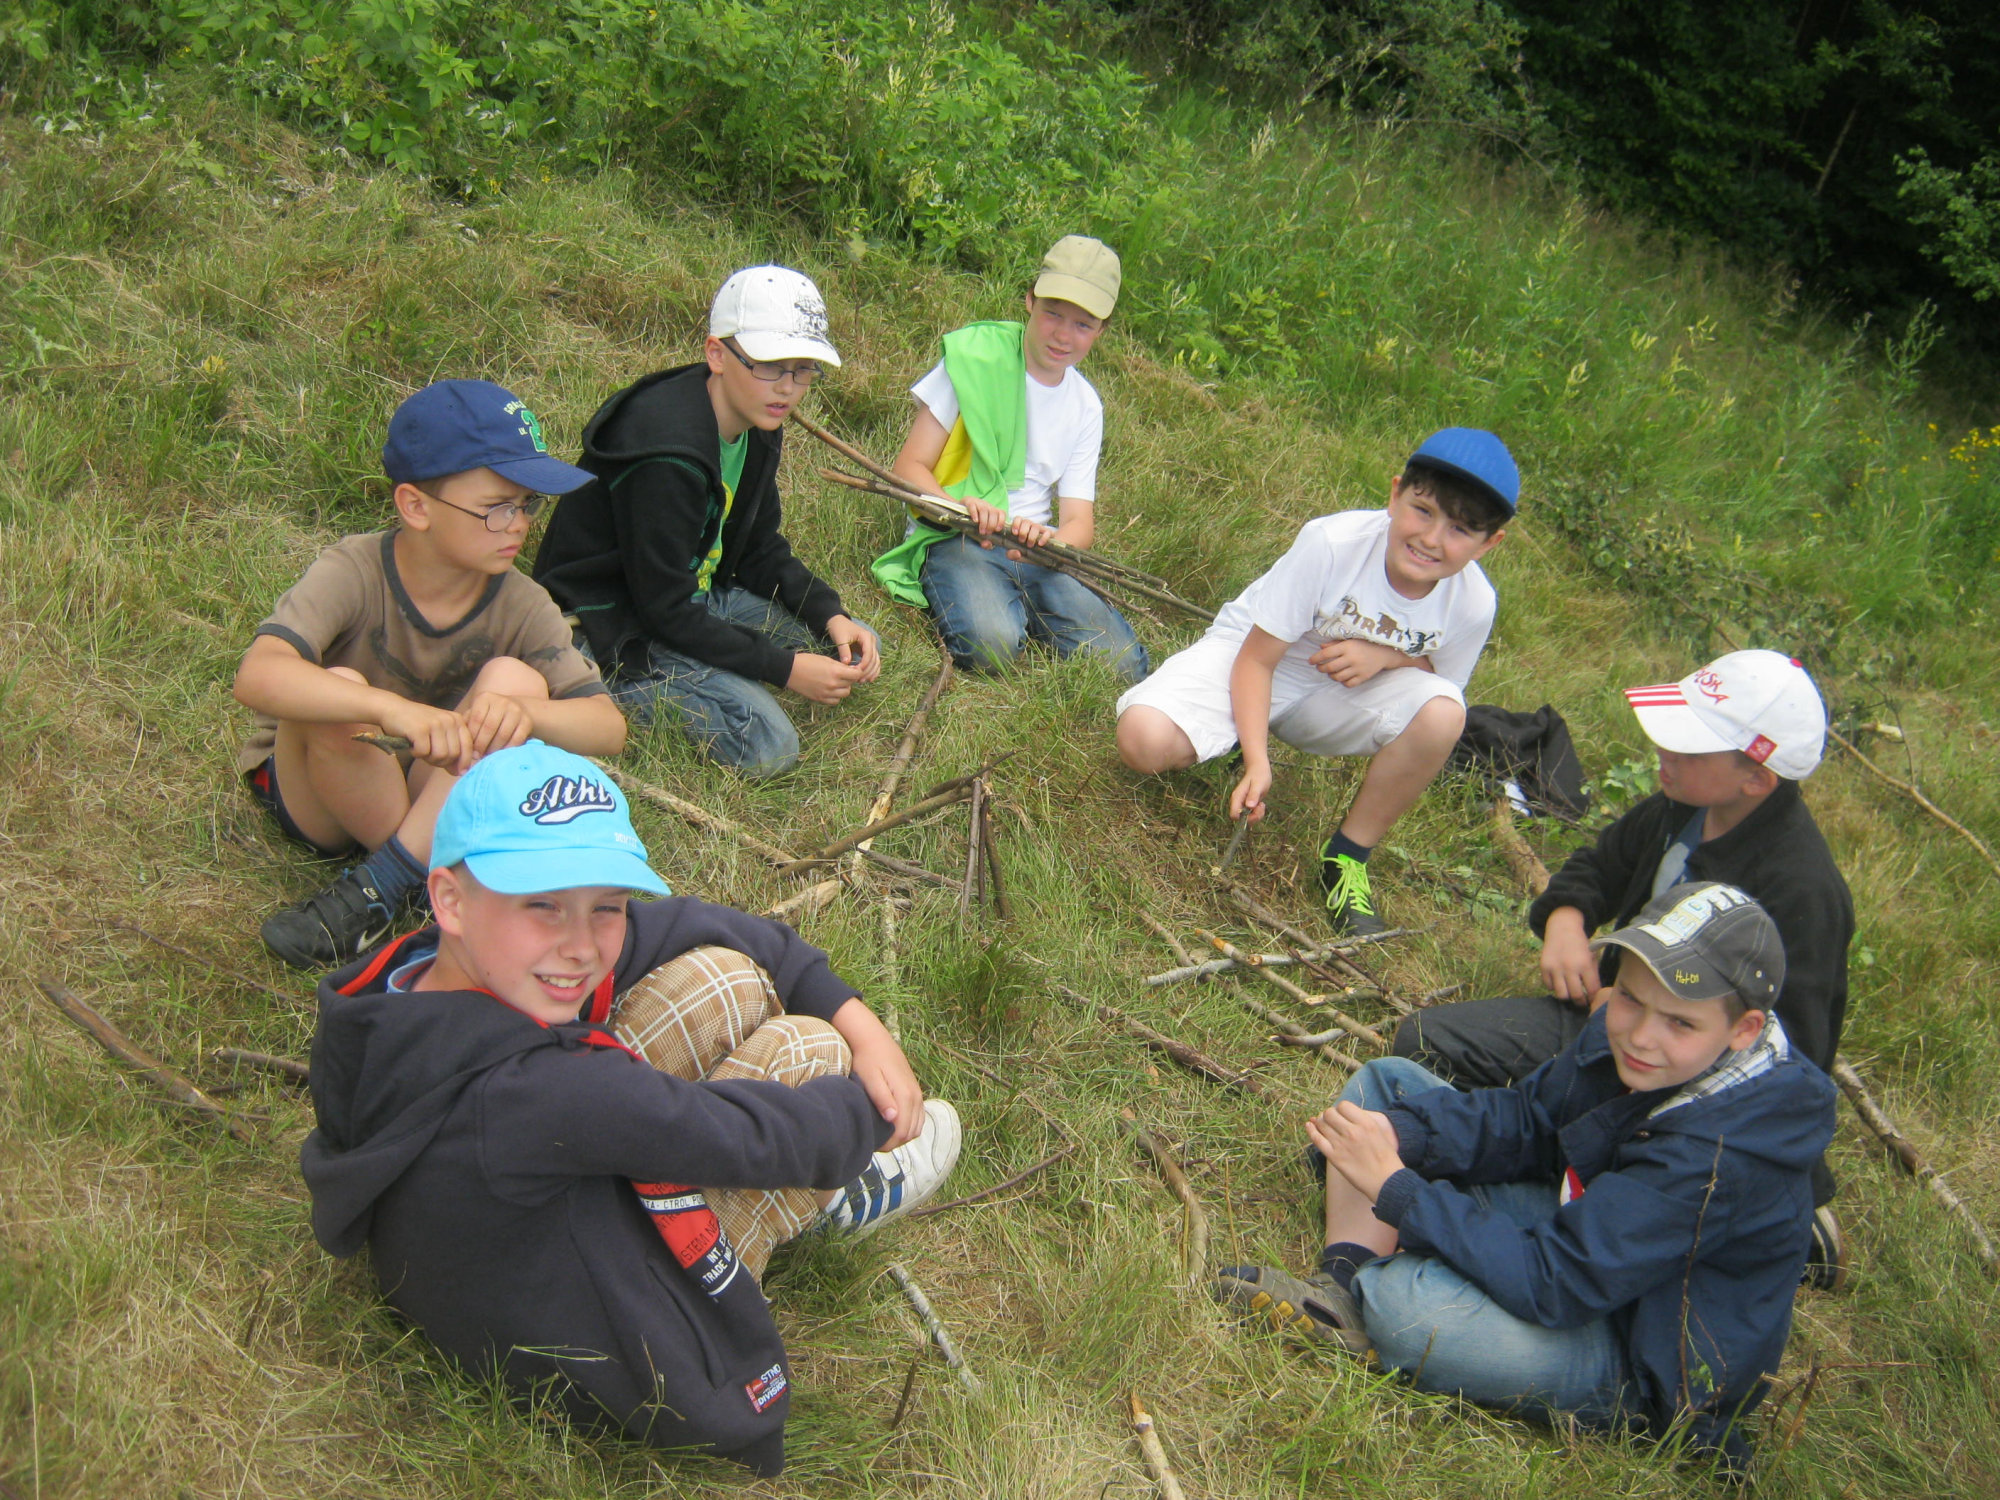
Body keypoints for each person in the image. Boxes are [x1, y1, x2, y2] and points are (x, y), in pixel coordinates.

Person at [300, 743, 961, 1477]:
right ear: (450, 898)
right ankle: (822, 1200)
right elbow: (746, 1137)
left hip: (491, 1245)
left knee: (724, 978)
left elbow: (689, 923)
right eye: (543, 905)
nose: (580, 946)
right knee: (808, 1051)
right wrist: (871, 1110)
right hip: (598, 1345)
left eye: (605, 907)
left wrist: (855, 1013)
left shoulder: (401, 985)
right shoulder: (543, 1093)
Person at [1216, 882, 1836, 1474]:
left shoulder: (1724, 1155)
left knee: (1408, 1308)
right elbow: (1529, 1120)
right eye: (1629, 998)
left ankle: (1374, 1292)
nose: (1642, 1036)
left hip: (1637, 1351)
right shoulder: (1629, 1036)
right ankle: (1342, 1286)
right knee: (1384, 1090)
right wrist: (1404, 1137)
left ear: (1743, 1030)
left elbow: (1558, 1279)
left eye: (1680, 1023)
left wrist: (1400, 1190)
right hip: (1586, 1227)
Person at [1392, 649, 1854, 1284]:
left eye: (1690, 746)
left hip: (1685, 1081)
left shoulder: (1803, 891)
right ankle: (1565, 1150)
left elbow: (1793, 1055)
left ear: (1757, 779)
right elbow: (1600, 865)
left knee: (1616, 1162)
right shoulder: (1684, 805)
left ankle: (1776, 1214)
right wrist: (1566, 920)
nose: (1665, 750)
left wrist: (1652, 1021)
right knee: (1425, 1041)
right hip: (1612, 1024)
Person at [234, 379, 627, 970]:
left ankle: (381, 887)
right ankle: (409, 873)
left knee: (516, 682)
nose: (518, 524)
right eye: (496, 507)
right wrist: (392, 710)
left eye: (527, 505)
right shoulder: (354, 569)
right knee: (342, 693)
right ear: (416, 506)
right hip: (322, 790)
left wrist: (526, 713)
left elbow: (608, 728)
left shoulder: (523, 601)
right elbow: (258, 675)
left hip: (429, 790)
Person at [1116, 429, 1517, 935]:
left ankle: (1346, 858)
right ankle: (1236, 740)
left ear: (1489, 543)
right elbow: (1256, 660)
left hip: (1338, 695)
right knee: (1143, 739)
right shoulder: (1333, 544)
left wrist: (1387, 656)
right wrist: (1259, 760)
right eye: (1423, 511)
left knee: (1444, 713)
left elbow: (1442, 681)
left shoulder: (1473, 602)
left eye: (1460, 529)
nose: (1432, 539)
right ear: (1395, 495)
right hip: (1257, 657)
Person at [533, 265, 879, 779]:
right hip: (617, 620)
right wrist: (784, 669)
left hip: (695, 593)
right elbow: (664, 610)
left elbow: (759, 546)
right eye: (770, 366)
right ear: (717, 354)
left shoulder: (758, 417)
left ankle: (725, 661)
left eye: (803, 369)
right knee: (766, 744)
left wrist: (829, 612)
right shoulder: (665, 454)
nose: (788, 388)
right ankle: (605, 680)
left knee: (851, 641)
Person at [873, 234, 1145, 682]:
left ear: (1102, 330)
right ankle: (996, 603)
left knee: (1123, 666)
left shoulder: (1085, 405)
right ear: (1030, 300)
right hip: (960, 535)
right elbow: (909, 468)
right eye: (1052, 313)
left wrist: (1049, 544)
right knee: (991, 647)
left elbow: (1079, 523)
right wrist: (959, 509)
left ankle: (1021, 601)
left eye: (1083, 324)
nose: (1063, 335)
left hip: (1036, 553)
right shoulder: (976, 361)